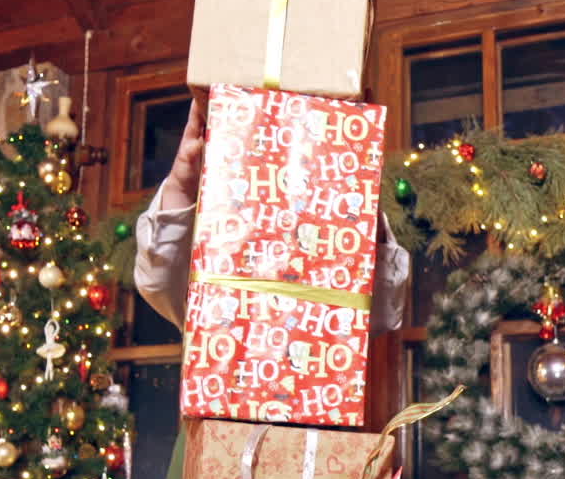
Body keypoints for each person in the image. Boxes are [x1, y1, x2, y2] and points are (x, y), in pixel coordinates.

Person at [133, 97, 411, 479]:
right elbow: (157, 275)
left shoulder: (335, 252)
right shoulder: (222, 250)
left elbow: (382, 310)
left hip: (319, 467)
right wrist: (186, 179)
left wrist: (354, 194)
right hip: (210, 474)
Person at [135, 97, 409, 331]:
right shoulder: (218, 253)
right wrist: (181, 184)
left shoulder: (330, 245)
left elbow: (383, 310)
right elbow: (159, 282)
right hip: (222, 383)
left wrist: (360, 200)